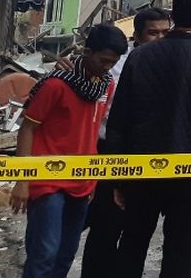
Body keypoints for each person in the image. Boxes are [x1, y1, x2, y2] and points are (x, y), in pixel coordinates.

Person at [107, 0, 191, 278]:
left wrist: (117, 178)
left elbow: (119, 120)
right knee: (180, 256)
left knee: (131, 247)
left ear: (173, 14)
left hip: (141, 173)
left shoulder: (139, 57)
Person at [12, 24, 128, 278]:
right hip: (48, 179)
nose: (108, 66)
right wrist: (22, 179)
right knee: (44, 253)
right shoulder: (55, 85)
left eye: (113, 62)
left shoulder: (105, 85)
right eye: (103, 60)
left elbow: (95, 131)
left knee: (66, 254)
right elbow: (27, 129)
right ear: (87, 52)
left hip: (83, 180)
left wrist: (94, 177)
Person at [79, 7, 170, 278]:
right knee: (105, 227)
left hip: (149, 155)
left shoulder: (169, 63)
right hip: (110, 150)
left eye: (165, 32)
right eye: (153, 32)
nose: (160, 38)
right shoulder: (117, 64)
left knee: (138, 231)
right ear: (138, 36)